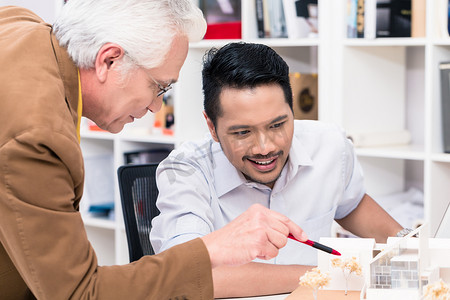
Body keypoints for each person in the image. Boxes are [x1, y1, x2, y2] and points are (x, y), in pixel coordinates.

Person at [0, 3, 308, 300]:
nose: (155, 106)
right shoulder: (38, 139)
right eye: (159, 86)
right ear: (109, 60)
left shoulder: (20, 25)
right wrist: (211, 249)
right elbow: (79, 293)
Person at [150, 42, 405, 298]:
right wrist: (327, 272)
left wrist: (413, 249)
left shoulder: (329, 146)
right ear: (212, 127)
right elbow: (188, 274)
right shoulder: (184, 171)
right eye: (243, 132)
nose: (265, 147)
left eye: (277, 125)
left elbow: (354, 206)